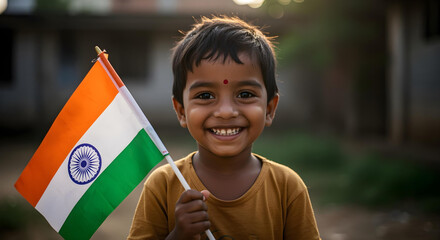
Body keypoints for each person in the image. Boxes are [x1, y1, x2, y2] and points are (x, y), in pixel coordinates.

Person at [127, 15, 321, 240]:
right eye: (206, 95)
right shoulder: (163, 185)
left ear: (269, 109)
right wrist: (178, 235)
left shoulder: (287, 188)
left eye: (245, 94)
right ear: (181, 111)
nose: (226, 111)